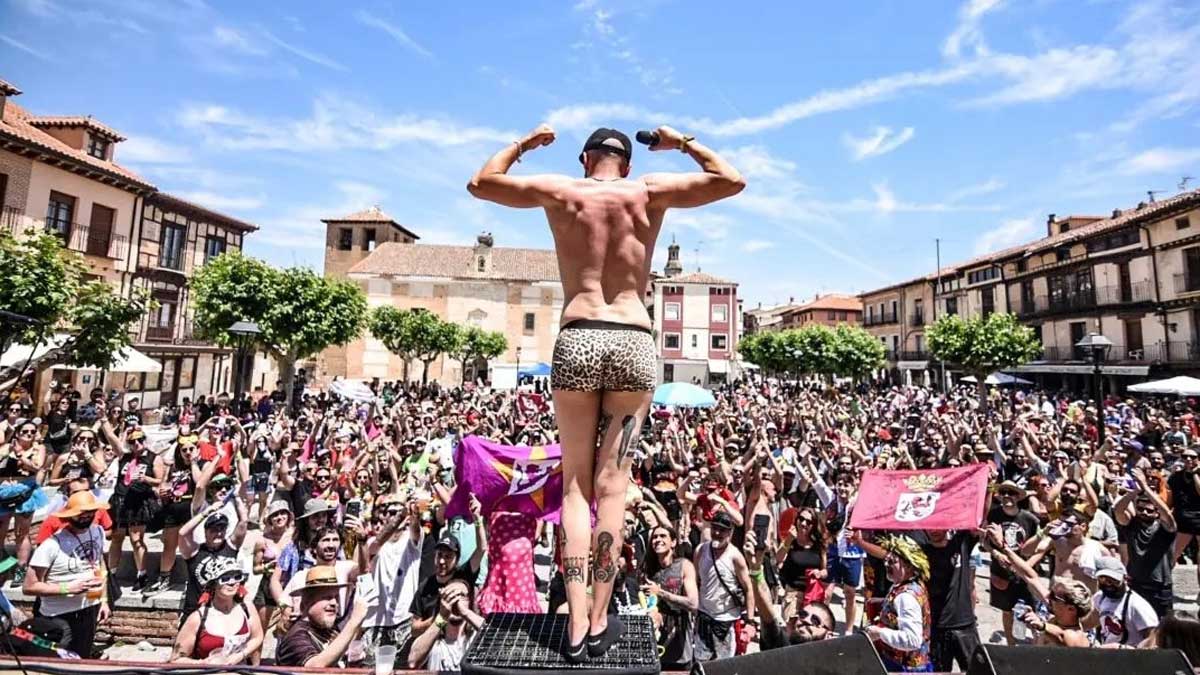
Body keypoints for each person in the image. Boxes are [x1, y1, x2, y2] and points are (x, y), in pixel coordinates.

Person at [468, 122, 744, 661]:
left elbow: (482, 181)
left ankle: (573, 625)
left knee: (576, 487)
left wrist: (527, 144)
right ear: (628, 162)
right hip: (634, 338)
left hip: (579, 334)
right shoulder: (648, 192)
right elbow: (730, 180)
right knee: (614, 489)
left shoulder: (563, 191)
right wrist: (681, 142)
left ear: (585, 159)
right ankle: (599, 620)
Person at [23, 492, 110, 658]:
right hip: (58, 616)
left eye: (89, 514)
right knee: (59, 662)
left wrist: (104, 600)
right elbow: (29, 586)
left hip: (88, 609)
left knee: (81, 659)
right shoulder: (51, 545)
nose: (86, 517)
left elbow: (99, 564)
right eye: (81, 514)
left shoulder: (97, 532)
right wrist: (67, 588)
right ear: (70, 515)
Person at [986, 524, 1093, 648]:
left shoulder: (1077, 638)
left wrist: (1041, 625)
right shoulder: (1058, 613)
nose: (1049, 598)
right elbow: (1030, 576)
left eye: (1054, 597)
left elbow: (1062, 636)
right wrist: (1003, 546)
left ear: (1071, 609)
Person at [169, 556, 264, 664]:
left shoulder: (247, 608)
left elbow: (257, 637)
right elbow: (176, 659)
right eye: (225, 579)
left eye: (237, 577)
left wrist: (240, 655)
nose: (232, 582)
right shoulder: (197, 618)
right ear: (213, 584)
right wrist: (202, 663)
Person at [275, 565, 370, 668]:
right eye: (327, 597)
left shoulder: (329, 631)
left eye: (336, 597)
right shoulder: (296, 636)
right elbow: (314, 668)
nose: (334, 603)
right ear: (306, 602)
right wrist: (353, 621)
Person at [1113, 467, 1177, 618]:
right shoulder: (1131, 525)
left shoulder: (1165, 528)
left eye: (1149, 510)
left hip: (1160, 588)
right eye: (1140, 509)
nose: (1144, 513)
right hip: (1136, 585)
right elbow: (1118, 511)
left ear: (1156, 512)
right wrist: (1135, 490)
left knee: (1162, 629)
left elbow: (1167, 514)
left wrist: (1146, 488)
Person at [692, 510, 754, 661]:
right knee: (701, 663)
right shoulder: (701, 550)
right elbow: (695, 580)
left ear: (730, 533)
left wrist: (749, 621)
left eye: (722, 530)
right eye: (715, 528)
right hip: (704, 616)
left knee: (723, 664)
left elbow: (748, 589)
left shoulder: (735, 557)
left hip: (726, 620)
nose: (717, 533)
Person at [984, 480, 1040, 645]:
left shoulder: (1029, 519)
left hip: (1023, 572)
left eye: (1012, 493)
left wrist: (1027, 567)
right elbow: (985, 541)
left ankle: (1039, 645)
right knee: (1007, 610)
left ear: (1018, 497)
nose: (1007, 496)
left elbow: (1037, 548)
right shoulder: (993, 515)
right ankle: (1011, 645)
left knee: (1031, 611)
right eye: (1004, 492)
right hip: (1001, 572)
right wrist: (995, 553)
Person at [864, 535, 932, 673]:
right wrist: (885, 602)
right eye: (886, 560)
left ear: (908, 565)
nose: (886, 565)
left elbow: (912, 640)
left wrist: (880, 633)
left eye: (892, 562)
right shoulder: (910, 584)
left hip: (904, 668)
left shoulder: (906, 597)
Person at [642, 525, 698, 668]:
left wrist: (660, 592)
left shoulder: (684, 566)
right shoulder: (648, 569)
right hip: (654, 649)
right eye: (654, 537)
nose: (657, 540)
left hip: (679, 649)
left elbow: (693, 603)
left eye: (662, 536)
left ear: (673, 542)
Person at [406, 578, 485, 671]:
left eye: (461, 595)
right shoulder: (433, 639)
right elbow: (412, 662)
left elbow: (497, 634)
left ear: (469, 602)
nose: (455, 600)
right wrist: (442, 617)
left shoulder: (475, 637)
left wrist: (465, 612)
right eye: (449, 596)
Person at [1088, 556, 1159, 647]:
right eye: (1103, 579)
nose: (1108, 584)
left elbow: (1152, 637)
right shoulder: (1099, 597)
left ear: (1125, 579)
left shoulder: (1137, 605)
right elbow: (1091, 621)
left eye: (1114, 580)